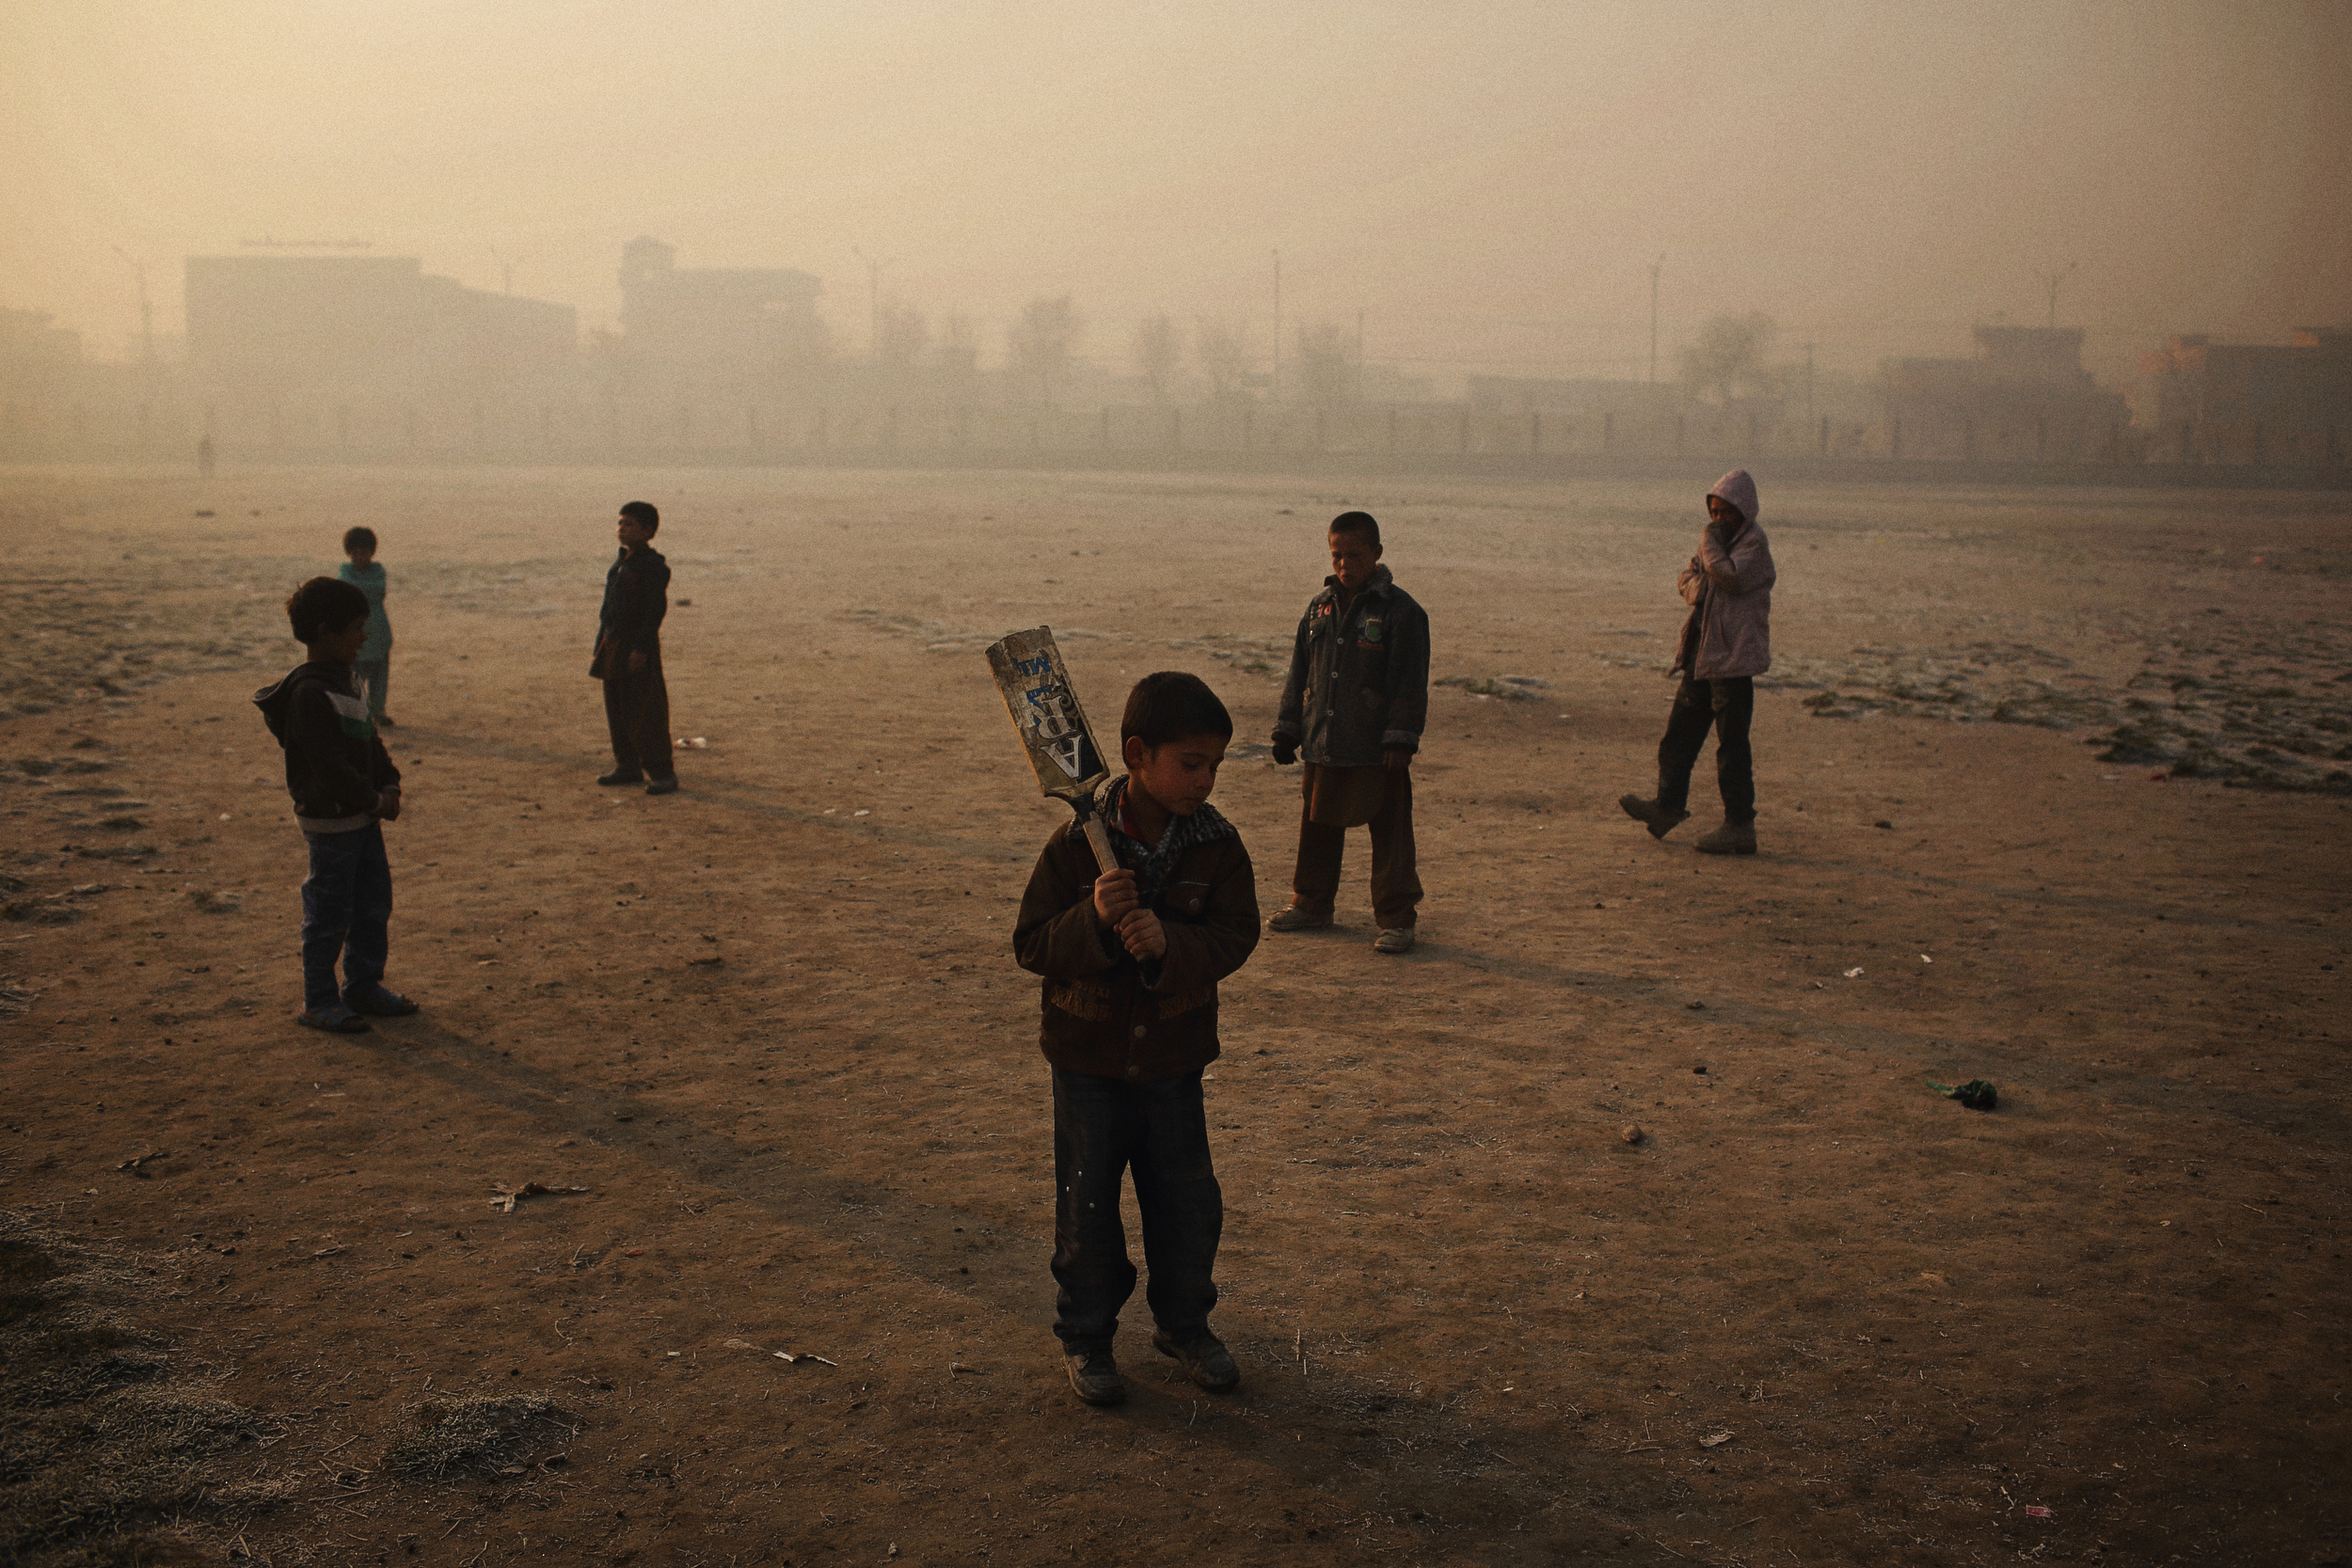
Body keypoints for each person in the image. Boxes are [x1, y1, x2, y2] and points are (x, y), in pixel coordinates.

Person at [1012, 672, 1261, 1408]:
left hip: (1174, 1060)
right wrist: (1091, 919)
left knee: (1188, 1204)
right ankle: (1085, 1335)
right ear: (1136, 754)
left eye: (1215, 764)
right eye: (1191, 763)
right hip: (1086, 1060)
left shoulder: (1218, 847)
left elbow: (1234, 935)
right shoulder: (1074, 848)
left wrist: (1168, 944)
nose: (1205, 780)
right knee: (1087, 1210)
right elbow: (1031, 943)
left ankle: (1185, 1326)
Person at [253, 578, 418, 1035]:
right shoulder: (310, 694)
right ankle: (319, 999)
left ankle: (362, 986)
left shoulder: (346, 681)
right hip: (332, 823)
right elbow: (329, 766)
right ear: (325, 632)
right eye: (355, 628)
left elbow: (370, 743)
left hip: (363, 818)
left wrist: (391, 783)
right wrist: (373, 798)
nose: (364, 636)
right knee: (328, 913)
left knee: (371, 904)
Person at [1267, 511, 1429, 954]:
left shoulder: (1402, 613)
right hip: (1325, 738)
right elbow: (1299, 671)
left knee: (1391, 834)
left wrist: (1401, 738)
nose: (1343, 564)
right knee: (1317, 826)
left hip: (1377, 747)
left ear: (1376, 554)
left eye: (1354, 555)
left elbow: (1409, 682)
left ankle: (1397, 918)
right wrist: (1288, 729)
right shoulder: (1318, 607)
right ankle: (1313, 904)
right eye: (1337, 555)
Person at [1619, 468, 1776, 855]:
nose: (1719, 520)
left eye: (1727, 512)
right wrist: (1704, 574)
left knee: (1731, 748)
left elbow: (1729, 578)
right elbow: (1689, 578)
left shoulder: (1753, 544)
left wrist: (1710, 544)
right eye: (1714, 512)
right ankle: (1667, 807)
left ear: (1744, 511)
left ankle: (1740, 827)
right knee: (1679, 737)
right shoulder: (1719, 543)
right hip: (1705, 655)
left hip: (1734, 660)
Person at [594, 500, 676, 796]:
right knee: (616, 707)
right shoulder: (621, 563)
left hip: (638, 646)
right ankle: (627, 766)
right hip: (613, 643)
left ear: (648, 530)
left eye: (629, 524)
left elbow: (655, 610)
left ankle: (662, 773)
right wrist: (600, 643)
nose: (622, 529)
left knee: (646, 710)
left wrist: (641, 648)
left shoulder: (653, 567)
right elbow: (609, 609)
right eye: (620, 523)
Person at [337, 526, 396, 727]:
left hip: (378, 631)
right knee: (354, 676)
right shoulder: (345, 572)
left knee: (379, 676)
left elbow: (364, 591)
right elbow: (351, 590)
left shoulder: (378, 572)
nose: (359, 556)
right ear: (349, 553)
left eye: (364, 551)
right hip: (354, 632)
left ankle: (378, 711)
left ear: (372, 552)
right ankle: (355, 714)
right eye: (355, 552)